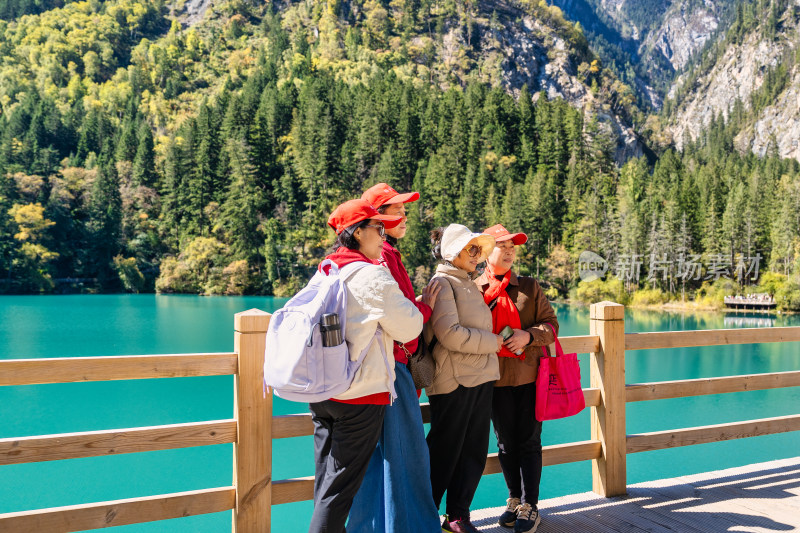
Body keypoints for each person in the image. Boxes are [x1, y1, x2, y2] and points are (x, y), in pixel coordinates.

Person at [308, 199, 425, 533]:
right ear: (358, 233)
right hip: (359, 395)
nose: (383, 235)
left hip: (322, 391)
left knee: (326, 482)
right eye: (378, 227)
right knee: (340, 491)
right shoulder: (372, 275)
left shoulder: (325, 269)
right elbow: (410, 326)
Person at [346, 183, 442, 533]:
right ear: (374, 219)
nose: (403, 217)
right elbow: (401, 319)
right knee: (406, 457)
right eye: (394, 210)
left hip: (376, 370)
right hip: (391, 368)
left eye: (404, 210)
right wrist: (426, 307)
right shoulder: (382, 256)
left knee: (377, 460)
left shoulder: (381, 254)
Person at [475, 224, 560, 533]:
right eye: (503, 245)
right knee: (505, 443)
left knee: (529, 442)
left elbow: (551, 326)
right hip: (492, 380)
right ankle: (513, 499)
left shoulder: (529, 287)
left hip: (528, 378)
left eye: (513, 246)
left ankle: (531, 505)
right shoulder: (474, 288)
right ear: (486, 250)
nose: (510, 250)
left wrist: (529, 335)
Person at [424, 223, 502, 533]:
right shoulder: (443, 284)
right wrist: (494, 343)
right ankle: (424, 514)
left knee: (474, 450)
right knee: (445, 452)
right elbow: (450, 336)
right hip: (454, 380)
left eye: (479, 250)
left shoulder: (469, 283)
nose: (478, 255)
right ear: (453, 252)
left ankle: (457, 516)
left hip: (480, 377)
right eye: (471, 249)